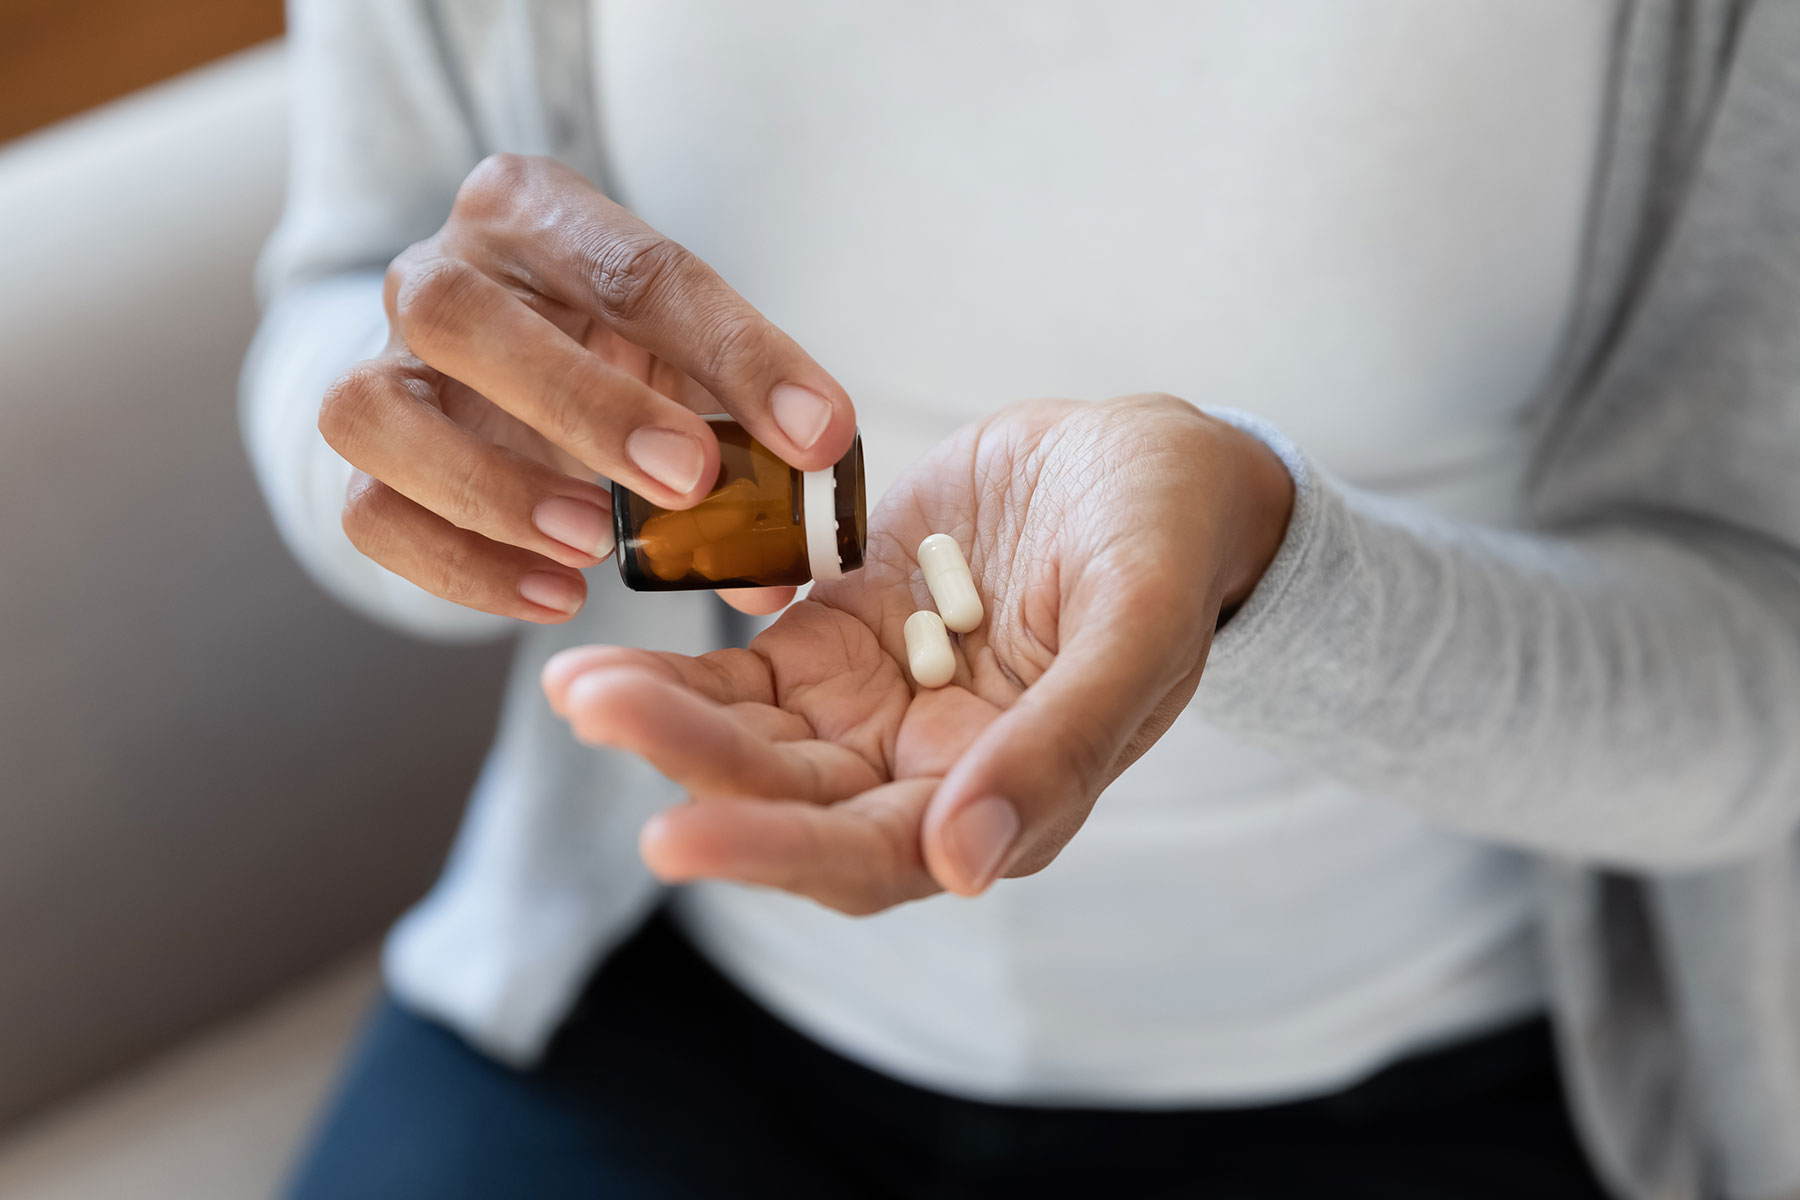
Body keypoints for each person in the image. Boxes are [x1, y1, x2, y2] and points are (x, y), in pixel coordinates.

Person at [242, 3, 1800, 1197]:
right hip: (669, 999)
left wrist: (1265, 566)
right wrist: (452, 464)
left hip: (1450, 1085)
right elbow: (338, 301)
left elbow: (1761, 675)